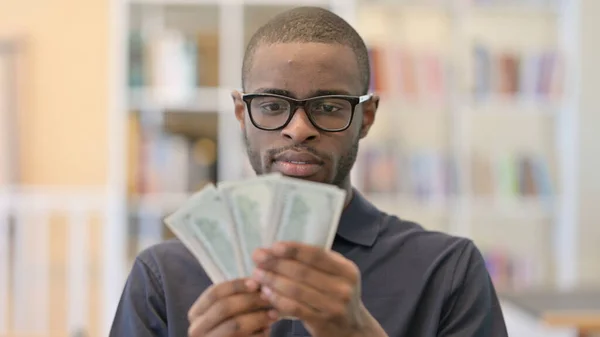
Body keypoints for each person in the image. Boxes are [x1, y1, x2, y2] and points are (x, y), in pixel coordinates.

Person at [110, 6, 509, 337]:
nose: (299, 129)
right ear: (241, 114)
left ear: (366, 118)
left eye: (329, 106)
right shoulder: (162, 275)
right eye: (271, 105)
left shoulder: (447, 269)